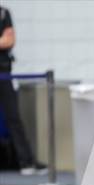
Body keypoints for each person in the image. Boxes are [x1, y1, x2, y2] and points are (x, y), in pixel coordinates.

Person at [0, 6, 46, 175]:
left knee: (13, 117)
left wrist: (4, 39)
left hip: (3, 72)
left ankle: (27, 161)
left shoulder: (3, 13)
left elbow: (8, 41)